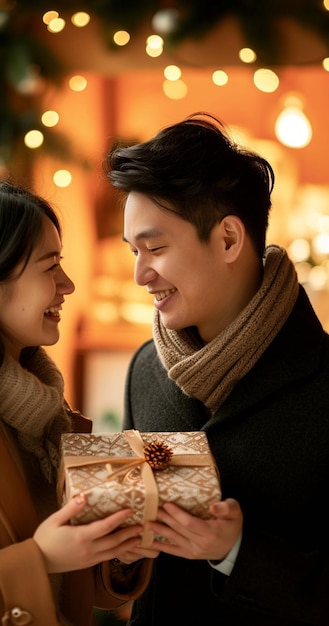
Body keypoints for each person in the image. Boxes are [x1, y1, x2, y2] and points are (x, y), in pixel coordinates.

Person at [105, 112, 329, 626]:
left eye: (155, 247)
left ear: (229, 239)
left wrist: (238, 552)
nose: (141, 274)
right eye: (133, 251)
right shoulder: (146, 370)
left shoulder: (323, 381)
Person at [0, 180, 155, 626]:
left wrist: (119, 550)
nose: (68, 284)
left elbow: (67, 588)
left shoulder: (49, 418)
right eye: (50, 266)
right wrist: (36, 560)